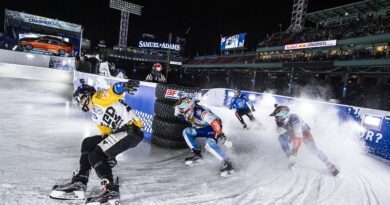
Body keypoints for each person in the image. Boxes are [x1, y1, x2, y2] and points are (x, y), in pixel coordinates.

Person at [50, 79, 144, 202]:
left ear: (88, 96)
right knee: (88, 143)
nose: (80, 104)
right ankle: (81, 181)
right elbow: (106, 134)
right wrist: (110, 155)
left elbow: (112, 92)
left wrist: (122, 86)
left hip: (132, 130)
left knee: (96, 155)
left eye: (81, 100)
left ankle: (110, 190)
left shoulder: (97, 98)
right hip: (121, 132)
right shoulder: (95, 114)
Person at [174, 93, 235, 177]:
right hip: (203, 127)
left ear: (189, 108)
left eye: (181, 109)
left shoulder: (200, 112)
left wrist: (221, 136)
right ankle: (197, 154)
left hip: (213, 127)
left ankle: (228, 164)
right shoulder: (186, 113)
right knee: (186, 131)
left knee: (209, 145)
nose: (180, 111)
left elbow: (215, 122)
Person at [269, 104, 339, 176]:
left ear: (285, 116)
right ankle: (290, 157)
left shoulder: (294, 119)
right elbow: (288, 134)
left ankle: (330, 165)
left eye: (278, 118)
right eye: (276, 118)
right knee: (281, 138)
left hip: (304, 133)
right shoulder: (283, 123)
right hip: (293, 133)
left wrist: (293, 154)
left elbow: (298, 138)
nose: (277, 120)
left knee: (313, 149)